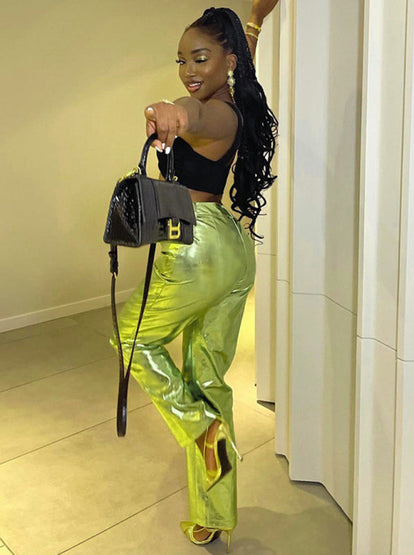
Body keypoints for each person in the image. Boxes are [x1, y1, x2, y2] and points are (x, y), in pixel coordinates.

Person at [109, 3, 279, 552]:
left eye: (199, 58)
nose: (187, 70)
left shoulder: (213, 113)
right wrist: (255, 23)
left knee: (132, 339)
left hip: (194, 246)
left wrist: (172, 112)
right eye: (181, 60)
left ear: (225, 61)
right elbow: (227, 71)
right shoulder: (233, 97)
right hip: (231, 248)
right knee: (208, 381)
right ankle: (214, 515)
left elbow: (192, 116)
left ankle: (199, 429)